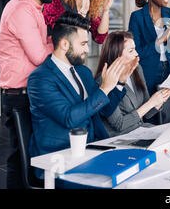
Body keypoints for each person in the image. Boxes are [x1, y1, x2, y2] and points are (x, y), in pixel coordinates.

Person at [27, 12, 128, 177]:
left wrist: (118, 83)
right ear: (64, 44)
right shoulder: (40, 79)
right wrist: (104, 89)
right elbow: (69, 118)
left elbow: (102, 109)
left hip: (93, 150)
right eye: (83, 44)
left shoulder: (83, 72)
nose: (87, 49)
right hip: (59, 159)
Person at [0, 0, 64, 189]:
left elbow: (43, 42)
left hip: (30, 91)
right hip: (18, 94)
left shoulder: (36, 7)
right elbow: (39, 55)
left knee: (29, 154)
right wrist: (58, 43)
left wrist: (48, 41)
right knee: (20, 156)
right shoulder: (21, 10)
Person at [95, 31, 170, 136]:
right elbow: (119, 124)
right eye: (131, 51)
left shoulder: (136, 69)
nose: (136, 53)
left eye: (135, 49)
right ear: (117, 54)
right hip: (119, 137)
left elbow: (147, 114)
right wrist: (151, 103)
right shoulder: (104, 80)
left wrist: (163, 96)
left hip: (140, 130)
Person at [128, 0, 170, 123]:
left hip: (169, 70)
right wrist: (160, 40)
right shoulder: (137, 17)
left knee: (168, 113)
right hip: (147, 72)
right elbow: (135, 52)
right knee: (149, 113)